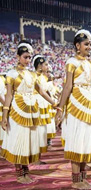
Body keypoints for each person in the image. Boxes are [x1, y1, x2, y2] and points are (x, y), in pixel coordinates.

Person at [55, 29, 91, 190]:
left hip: (89, 103)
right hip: (76, 104)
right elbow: (67, 86)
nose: (89, 47)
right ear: (77, 45)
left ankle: (83, 178)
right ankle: (76, 180)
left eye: (90, 44)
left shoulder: (90, 63)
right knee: (77, 139)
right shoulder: (71, 62)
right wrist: (60, 108)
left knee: (87, 139)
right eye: (86, 44)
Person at [1, 41, 57, 184]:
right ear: (18, 56)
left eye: (29, 57)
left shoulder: (32, 75)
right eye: (25, 57)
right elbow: (8, 96)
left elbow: (42, 92)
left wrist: (54, 103)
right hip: (17, 111)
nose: (27, 60)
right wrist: (5, 117)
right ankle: (19, 174)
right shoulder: (11, 74)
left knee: (27, 142)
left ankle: (26, 172)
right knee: (18, 140)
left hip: (31, 111)